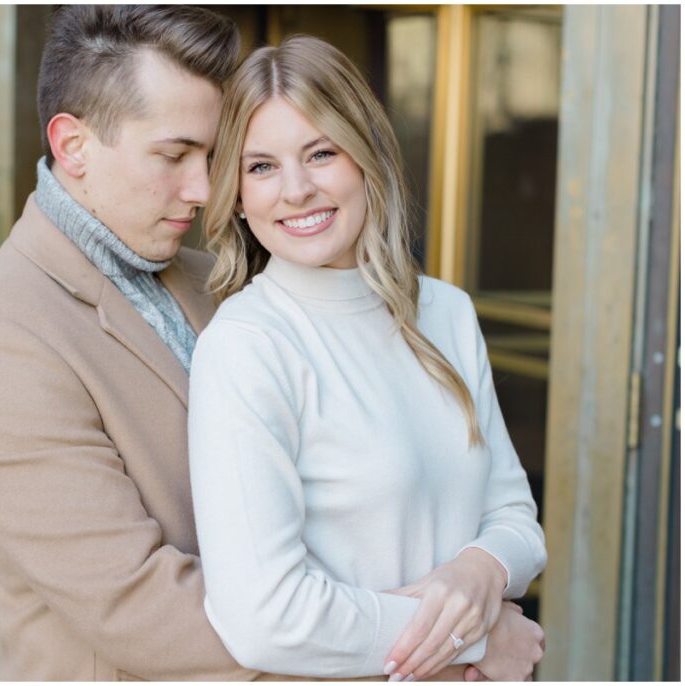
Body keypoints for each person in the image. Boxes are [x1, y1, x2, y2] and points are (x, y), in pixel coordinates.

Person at [0, 5, 271, 681]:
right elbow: (139, 612)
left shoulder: (218, 280)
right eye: (174, 155)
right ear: (73, 147)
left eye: (210, 155)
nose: (202, 190)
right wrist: (398, 649)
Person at [189, 35, 548, 682]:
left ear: (367, 157)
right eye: (261, 166)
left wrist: (479, 571)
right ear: (236, 194)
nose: (295, 189)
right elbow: (264, 617)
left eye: (320, 153)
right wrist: (477, 637)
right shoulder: (246, 346)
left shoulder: (446, 313)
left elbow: (516, 519)